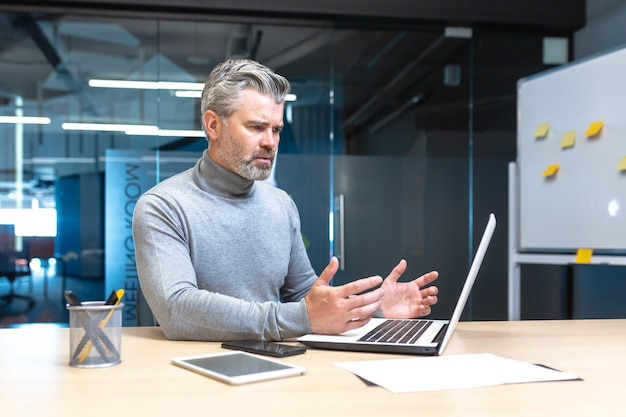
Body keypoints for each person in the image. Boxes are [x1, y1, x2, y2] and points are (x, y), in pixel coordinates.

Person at [132, 58, 439, 341]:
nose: (270, 142)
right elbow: (176, 311)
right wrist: (296, 318)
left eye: (276, 129)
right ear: (213, 125)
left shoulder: (280, 204)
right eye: (256, 127)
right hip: (192, 380)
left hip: (272, 368)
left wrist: (370, 310)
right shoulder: (163, 206)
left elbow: (305, 299)